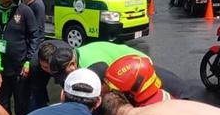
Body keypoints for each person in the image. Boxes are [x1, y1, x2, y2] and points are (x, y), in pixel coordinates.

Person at [40, 40, 191, 101]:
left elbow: (100, 95)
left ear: (73, 65)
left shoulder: (94, 67)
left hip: (139, 69)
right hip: (124, 72)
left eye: (66, 74)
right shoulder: (73, 55)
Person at [18, 0, 51, 113]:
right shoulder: (26, 2)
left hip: (35, 51)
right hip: (30, 47)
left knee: (36, 88)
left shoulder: (37, 5)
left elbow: (37, 33)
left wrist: (30, 58)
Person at [103, 54, 173, 106]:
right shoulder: (160, 95)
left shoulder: (145, 113)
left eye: (115, 91)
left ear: (130, 94)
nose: (112, 94)